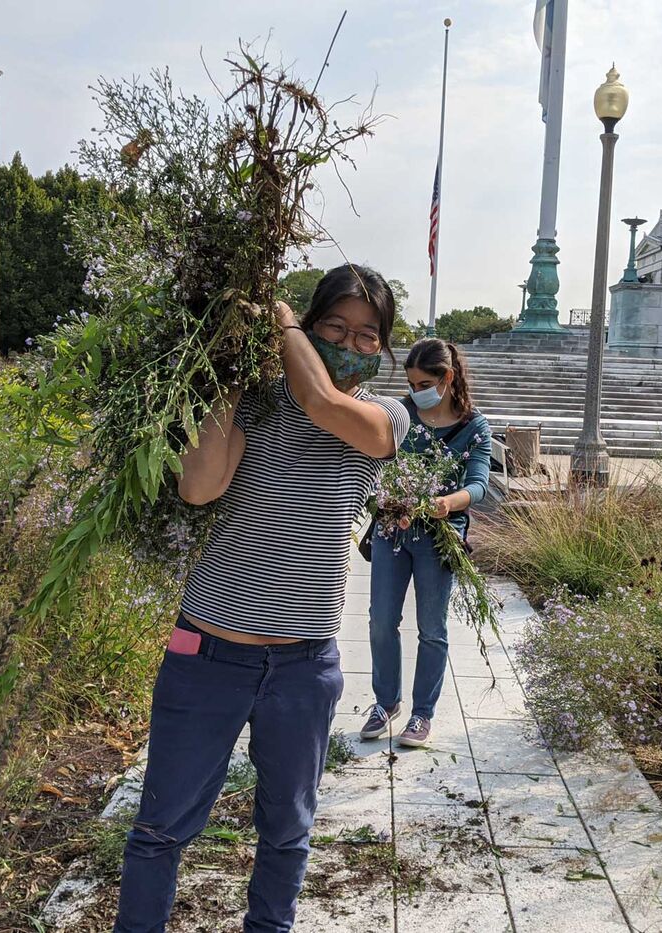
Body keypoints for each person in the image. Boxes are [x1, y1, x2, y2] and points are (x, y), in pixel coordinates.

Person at [114, 264, 410, 933]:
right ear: (309, 326)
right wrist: (224, 367)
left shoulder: (386, 417)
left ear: (384, 350)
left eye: (367, 334)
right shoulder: (254, 402)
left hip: (304, 666)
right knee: (160, 827)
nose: (350, 342)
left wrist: (279, 324)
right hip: (206, 654)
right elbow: (198, 486)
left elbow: (325, 407)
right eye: (333, 325)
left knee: (286, 831)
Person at [361, 338, 491, 748]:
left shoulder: (474, 426)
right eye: (411, 383)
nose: (416, 391)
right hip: (391, 529)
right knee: (382, 620)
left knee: (432, 628)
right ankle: (385, 703)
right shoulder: (400, 414)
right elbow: (374, 461)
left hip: (439, 535)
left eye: (423, 383)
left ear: (447, 378)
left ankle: (422, 713)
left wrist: (445, 504)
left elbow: (479, 483)